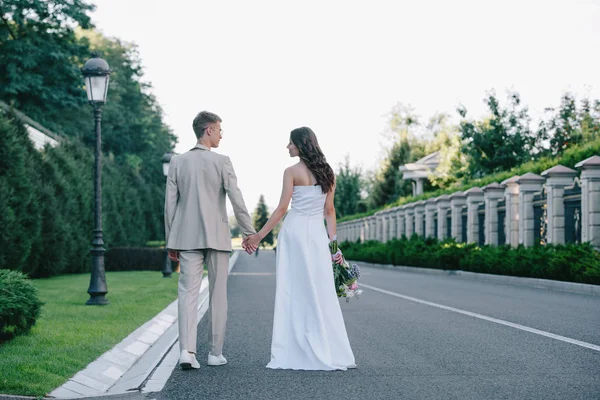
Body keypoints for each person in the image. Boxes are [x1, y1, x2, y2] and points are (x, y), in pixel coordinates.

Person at [244, 127, 356, 370]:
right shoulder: (328, 173)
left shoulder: (291, 172)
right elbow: (329, 211)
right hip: (317, 236)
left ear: (301, 145)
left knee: (293, 290)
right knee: (321, 289)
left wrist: (259, 236)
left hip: (294, 234)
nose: (288, 147)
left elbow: (282, 209)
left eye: (290, 143)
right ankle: (330, 348)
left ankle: (296, 347)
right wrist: (334, 246)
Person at [164, 111, 257, 370]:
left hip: (185, 237)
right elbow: (236, 198)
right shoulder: (222, 161)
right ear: (208, 131)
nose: (221, 135)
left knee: (187, 294)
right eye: (218, 130)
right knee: (218, 294)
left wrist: (170, 240)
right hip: (217, 236)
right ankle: (215, 353)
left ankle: (186, 351)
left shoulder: (177, 162)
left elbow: (169, 205)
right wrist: (249, 232)